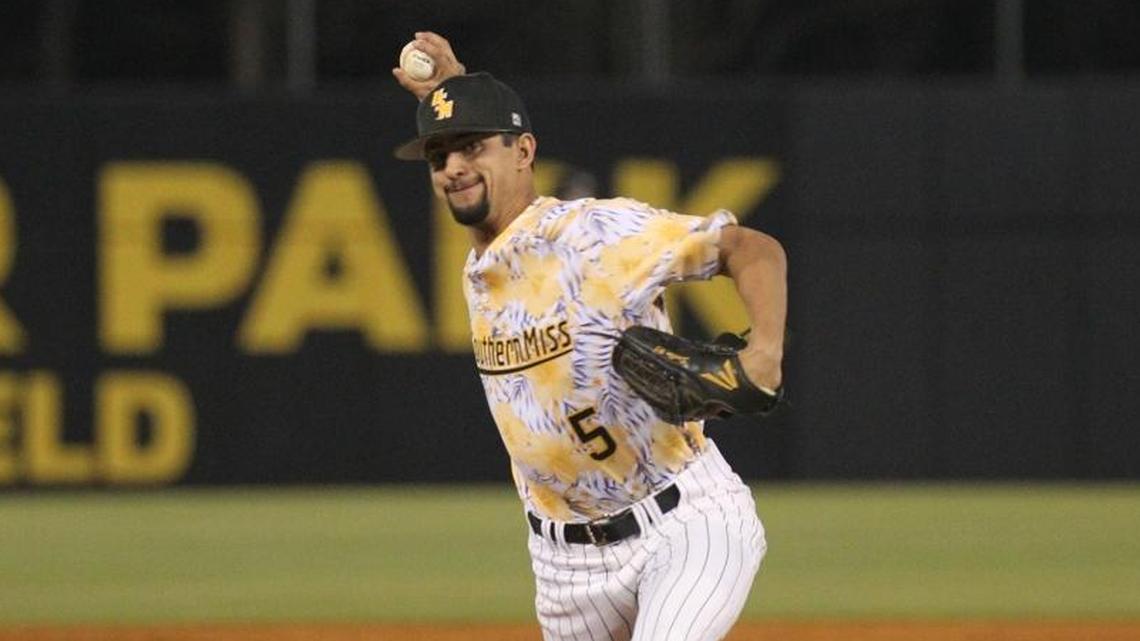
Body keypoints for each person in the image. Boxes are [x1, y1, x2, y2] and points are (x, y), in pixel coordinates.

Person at [393, 32, 787, 641]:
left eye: (470, 147)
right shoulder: (483, 267)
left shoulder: (594, 234)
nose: (452, 168)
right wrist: (458, 95)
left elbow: (751, 249)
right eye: (438, 157)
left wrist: (763, 351)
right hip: (563, 568)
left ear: (525, 151)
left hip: (682, 524)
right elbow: (484, 163)